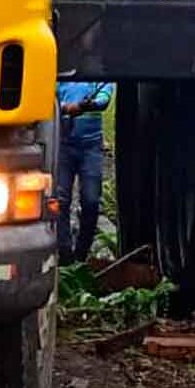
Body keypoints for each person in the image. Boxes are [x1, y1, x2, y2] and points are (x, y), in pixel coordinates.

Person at [53, 79, 113, 262]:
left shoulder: (98, 75)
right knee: (61, 201)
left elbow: (104, 99)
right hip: (64, 145)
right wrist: (67, 108)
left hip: (91, 147)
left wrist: (86, 106)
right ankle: (64, 252)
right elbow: (49, 101)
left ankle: (81, 253)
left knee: (91, 200)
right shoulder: (61, 77)